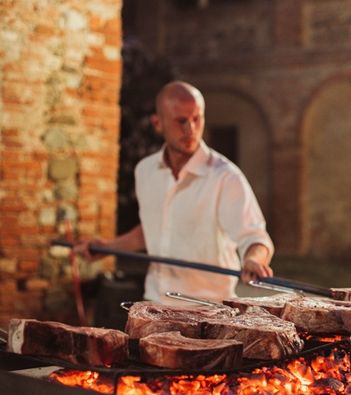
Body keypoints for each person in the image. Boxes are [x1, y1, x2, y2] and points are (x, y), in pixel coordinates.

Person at [76, 81, 274, 303]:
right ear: (157, 123)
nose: (190, 129)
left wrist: (253, 260)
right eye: (181, 121)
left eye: (196, 119)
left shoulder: (225, 177)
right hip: (153, 303)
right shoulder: (146, 171)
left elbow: (255, 237)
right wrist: (107, 247)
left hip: (208, 310)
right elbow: (153, 228)